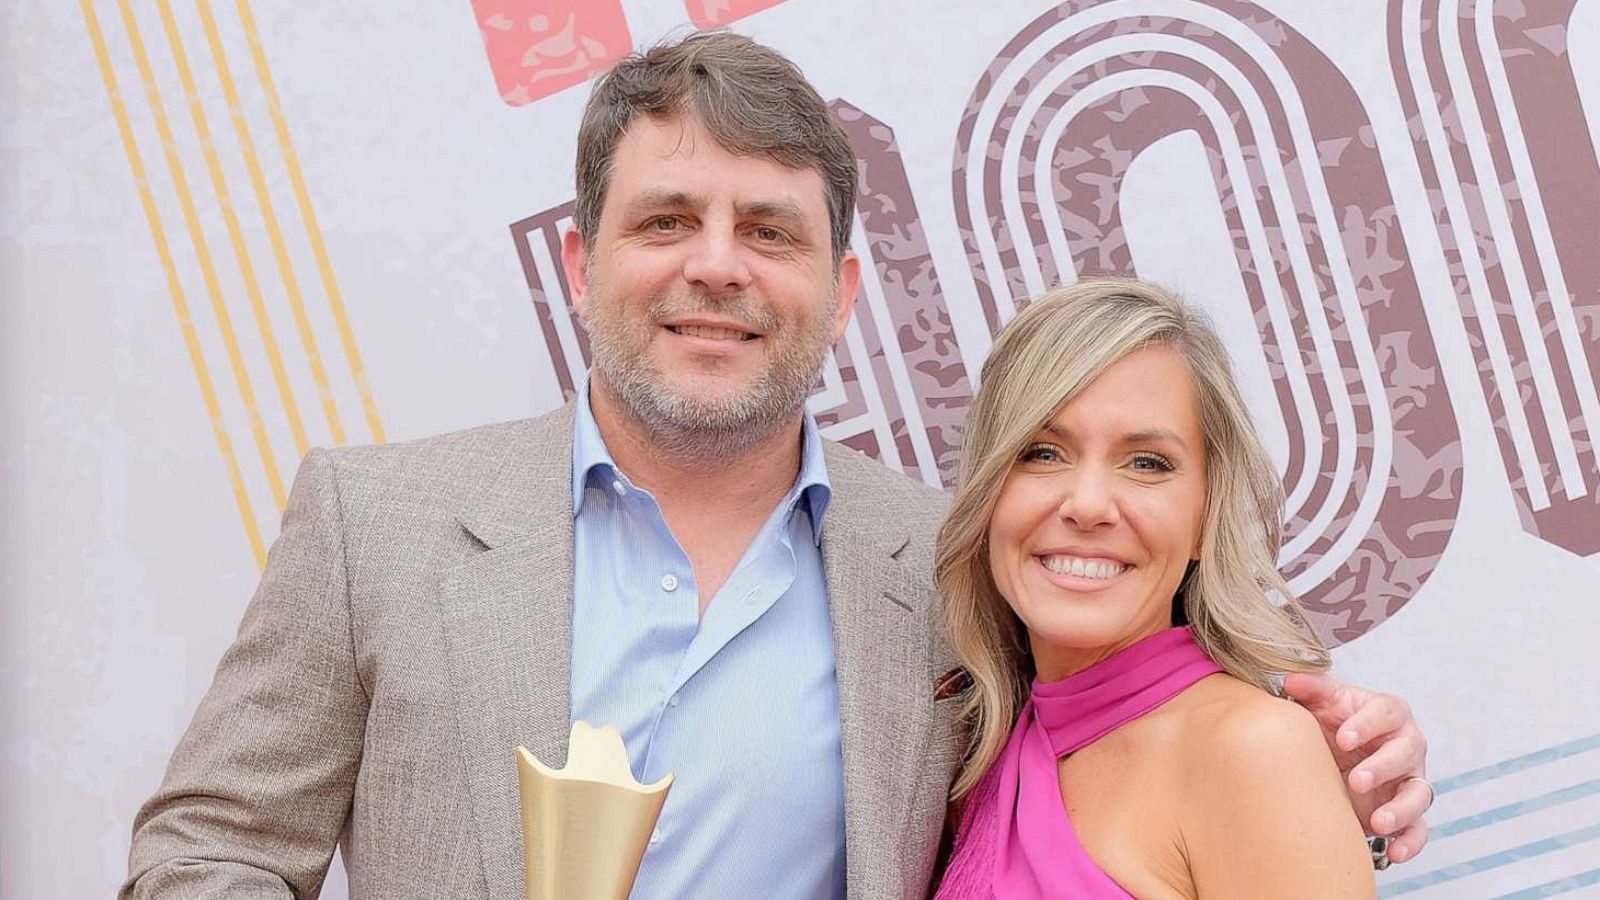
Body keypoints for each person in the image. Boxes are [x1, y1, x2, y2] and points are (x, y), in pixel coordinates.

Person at [123, 32, 1429, 900]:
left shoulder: (955, 569)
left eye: (769, 229)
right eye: (666, 221)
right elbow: (208, 848)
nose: (717, 265)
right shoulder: (379, 525)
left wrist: (1351, 766)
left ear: (842, 288)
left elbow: (1147, 735)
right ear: (579, 267)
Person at [933, 279, 1385, 898]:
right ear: (988, 493)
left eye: (1147, 463)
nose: (1088, 504)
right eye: (1041, 452)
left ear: (1205, 517)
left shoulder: (1254, 750)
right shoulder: (977, 753)